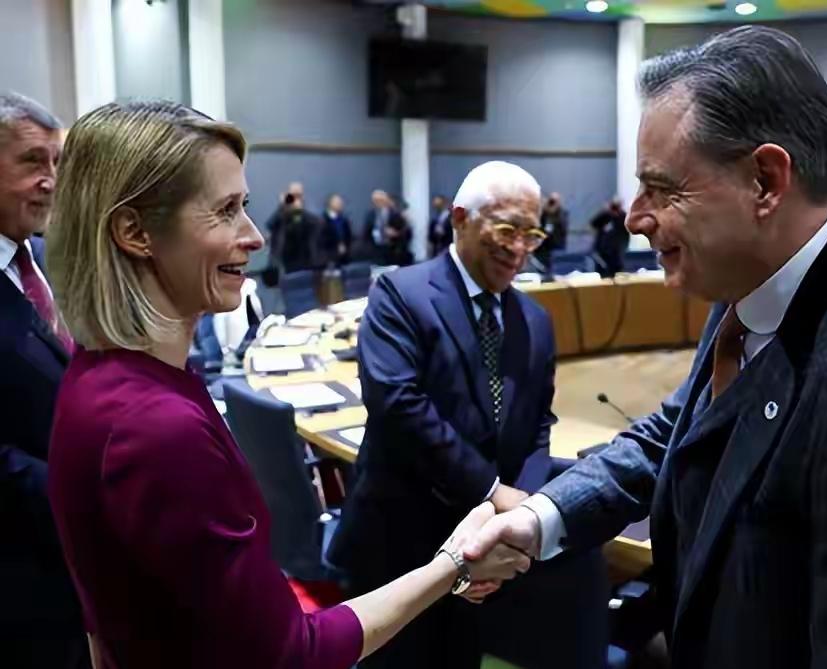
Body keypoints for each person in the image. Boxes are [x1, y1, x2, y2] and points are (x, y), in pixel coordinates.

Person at [464, 26, 827, 669]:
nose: (634, 217)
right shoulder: (753, 274)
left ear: (765, 182)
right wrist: (542, 517)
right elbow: (677, 435)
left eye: (661, 188)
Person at [44, 100, 530, 669]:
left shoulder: (95, 375)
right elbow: (292, 654)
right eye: (225, 211)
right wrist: (454, 566)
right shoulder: (156, 427)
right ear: (134, 232)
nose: (254, 236)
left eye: (245, 207)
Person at [329, 161, 609, 669]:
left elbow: (537, 424)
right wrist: (493, 493)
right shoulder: (400, 294)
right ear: (460, 218)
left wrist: (515, 515)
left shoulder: (534, 320)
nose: (519, 248)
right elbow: (399, 408)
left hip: (491, 550)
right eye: (506, 229)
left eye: (531, 234)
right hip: (402, 543)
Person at [0, 91, 89, 669]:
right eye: (33, 161)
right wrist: (80, 487)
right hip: (18, 579)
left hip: (71, 564)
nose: (52, 180)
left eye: (57, 162)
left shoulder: (46, 260)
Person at [266, 181, 324, 273]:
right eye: (293, 195)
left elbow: (317, 224)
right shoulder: (282, 211)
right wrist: (282, 206)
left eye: (298, 195)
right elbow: (270, 225)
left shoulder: (308, 211)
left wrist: (299, 211)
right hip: (283, 259)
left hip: (304, 260)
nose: (295, 199)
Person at [363, 189, 411, 266]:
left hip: (392, 249)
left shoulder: (395, 213)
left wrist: (396, 233)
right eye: (376, 200)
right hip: (376, 249)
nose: (378, 202)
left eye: (380, 200)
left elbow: (405, 232)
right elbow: (366, 233)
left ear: (386, 200)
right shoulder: (370, 214)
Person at [590, 197, 630, 276]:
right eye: (613, 208)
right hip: (603, 250)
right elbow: (593, 224)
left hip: (617, 250)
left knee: (618, 270)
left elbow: (627, 232)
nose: (614, 212)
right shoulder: (604, 216)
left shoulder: (623, 217)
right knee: (603, 271)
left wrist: (624, 245)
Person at [536, 192, 568, 269]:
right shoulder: (543, 213)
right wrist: (543, 210)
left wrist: (551, 213)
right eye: (551, 201)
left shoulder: (562, 214)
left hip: (556, 249)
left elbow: (561, 226)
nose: (551, 203)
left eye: (554, 201)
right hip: (542, 249)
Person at [321, 193, 353, 266]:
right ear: (330, 203)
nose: (340, 204)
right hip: (329, 258)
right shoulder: (322, 220)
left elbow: (349, 237)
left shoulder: (344, 220)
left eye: (341, 202)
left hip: (344, 257)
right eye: (337, 202)